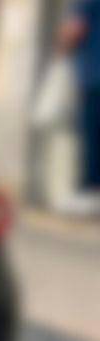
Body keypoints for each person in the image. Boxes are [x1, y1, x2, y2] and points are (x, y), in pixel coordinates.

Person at [59, 0, 100, 208]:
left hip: (94, 79)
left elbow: (74, 31)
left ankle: (90, 192)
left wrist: (62, 50)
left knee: (92, 138)